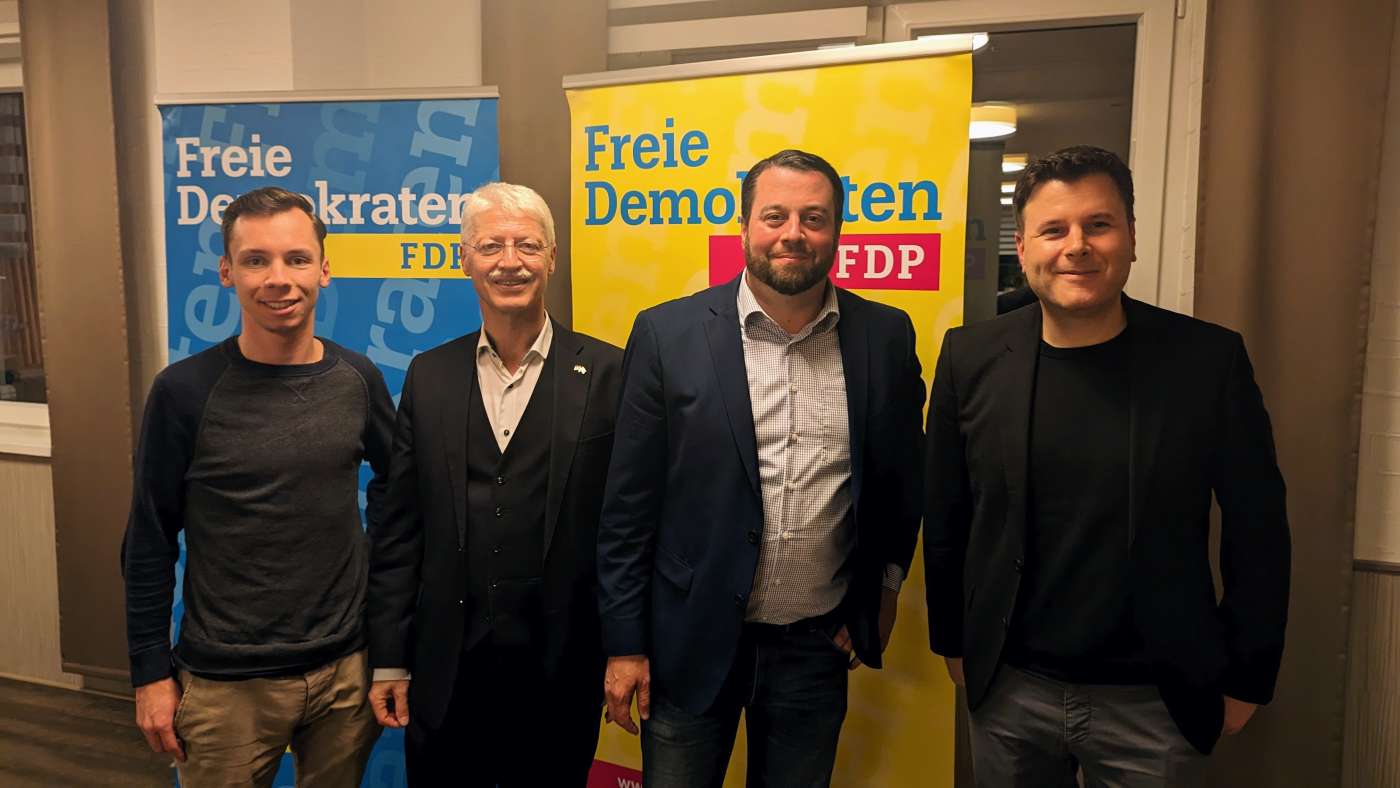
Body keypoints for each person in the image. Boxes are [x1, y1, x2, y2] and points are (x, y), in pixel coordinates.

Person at [923, 145, 1290, 786]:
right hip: (1010, 690)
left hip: (1157, 700)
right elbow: (947, 511)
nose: (1077, 246)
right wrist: (952, 642)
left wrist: (1247, 676)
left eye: (1098, 224)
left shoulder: (1208, 363)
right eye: (1054, 230)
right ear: (1024, 247)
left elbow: (1258, 528)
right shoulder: (968, 357)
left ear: (1131, 237)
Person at [597, 149, 925, 787]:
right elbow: (627, 506)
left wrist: (884, 592)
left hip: (815, 646)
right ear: (745, 226)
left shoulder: (884, 336)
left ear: (836, 231)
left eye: (813, 218)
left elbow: (900, 482)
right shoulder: (667, 334)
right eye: (774, 216)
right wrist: (625, 643)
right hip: (687, 642)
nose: (792, 234)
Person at [122, 186, 392, 786]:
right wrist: (149, 673)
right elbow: (148, 540)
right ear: (227, 272)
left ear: (324, 269)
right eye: (255, 260)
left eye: (297, 259)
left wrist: (374, 593)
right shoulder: (182, 392)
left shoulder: (358, 379)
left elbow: (400, 492)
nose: (279, 279)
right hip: (225, 686)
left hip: (346, 674)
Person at [366, 182, 623, 786]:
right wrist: (389, 657)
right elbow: (399, 528)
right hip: (446, 669)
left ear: (552, 257)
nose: (511, 262)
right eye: (491, 246)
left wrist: (627, 645)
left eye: (527, 245)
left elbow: (628, 528)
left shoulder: (610, 372)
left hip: (562, 667)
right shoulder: (429, 375)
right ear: (465, 260)